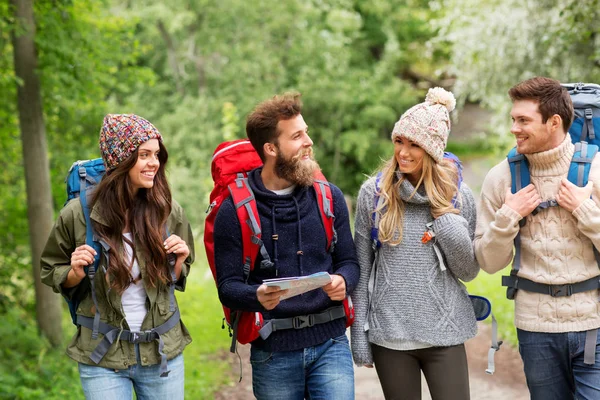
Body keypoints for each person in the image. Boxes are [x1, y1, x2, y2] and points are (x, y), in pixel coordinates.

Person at [213, 92, 360, 399]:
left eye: (305, 132)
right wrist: (256, 296)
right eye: (297, 136)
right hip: (273, 352)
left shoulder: (328, 197)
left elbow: (349, 261)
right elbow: (228, 287)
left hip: (331, 345)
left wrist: (343, 280)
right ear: (270, 148)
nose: (308, 141)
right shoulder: (234, 210)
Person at [41, 114, 194, 400]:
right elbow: (51, 269)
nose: (154, 163)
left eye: (157, 155)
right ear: (120, 160)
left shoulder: (168, 211)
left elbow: (174, 279)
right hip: (102, 357)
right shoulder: (77, 215)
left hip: (162, 352)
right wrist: (74, 272)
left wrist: (179, 261)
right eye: (144, 155)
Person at [474, 76, 600, 399]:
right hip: (535, 330)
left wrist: (585, 211)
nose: (514, 128)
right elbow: (488, 262)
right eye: (513, 119)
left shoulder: (595, 170)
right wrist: (508, 216)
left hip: (592, 325)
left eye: (523, 120)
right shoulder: (501, 178)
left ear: (554, 122)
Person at [351, 87, 480, 400]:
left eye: (415, 145)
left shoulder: (460, 197)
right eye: (399, 141)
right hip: (391, 337)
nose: (403, 153)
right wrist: (358, 334)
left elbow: (467, 270)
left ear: (433, 150)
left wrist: (444, 214)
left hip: (445, 333)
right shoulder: (374, 194)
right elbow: (361, 267)